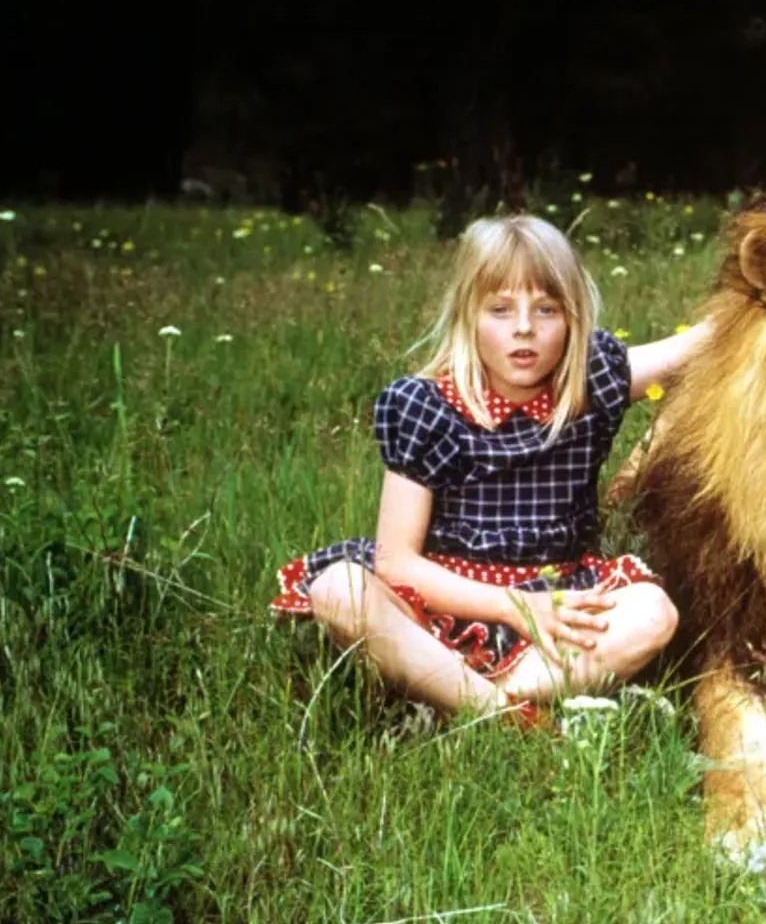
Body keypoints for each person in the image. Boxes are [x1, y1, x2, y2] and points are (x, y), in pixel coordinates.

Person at [269, 214, 706, 727]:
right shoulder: (426, 406)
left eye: (546, 309)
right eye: (500, 309)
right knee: (338, 591)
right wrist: (514, 607)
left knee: (653, 615)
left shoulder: (589, 386)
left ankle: (449, 694)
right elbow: (398, 564)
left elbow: (698, 345)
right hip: (440, 599)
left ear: (573, 320)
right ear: (467, 317)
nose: (524, 327)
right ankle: (508, 716)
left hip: (558, 597)